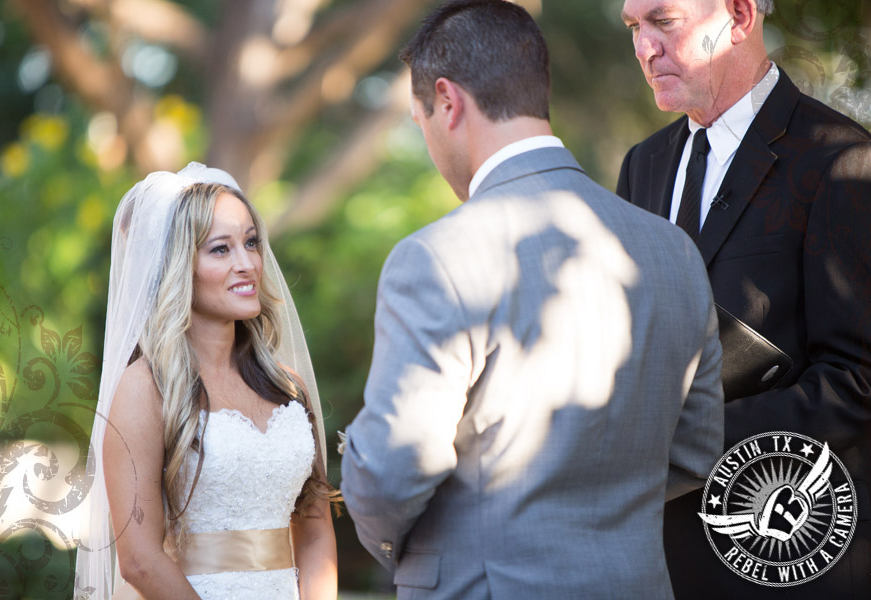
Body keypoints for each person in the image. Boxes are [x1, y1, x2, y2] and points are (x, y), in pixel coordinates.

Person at [339, 1, 724, 597]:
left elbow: (391, 473)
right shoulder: (673, 252)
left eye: (421, 122)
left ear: (448, 102)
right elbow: (696, 451)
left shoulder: (437, 257)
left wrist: (410, 553)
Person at [617, 0, 871, 597]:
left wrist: (684, 443)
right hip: (657, 560)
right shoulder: (643, 165)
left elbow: (858, 380)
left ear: (738, 15)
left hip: (787, 555)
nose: (643, 48)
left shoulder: (841, 158)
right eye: (634, 28)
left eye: (664, 22)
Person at [73, 163, 337, 600]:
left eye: (251, 242)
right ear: (179, 265)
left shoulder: (288, 387)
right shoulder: (145, 389)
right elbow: (139, 560)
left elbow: (314, 528)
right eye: (220, 249)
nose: (248, 263)